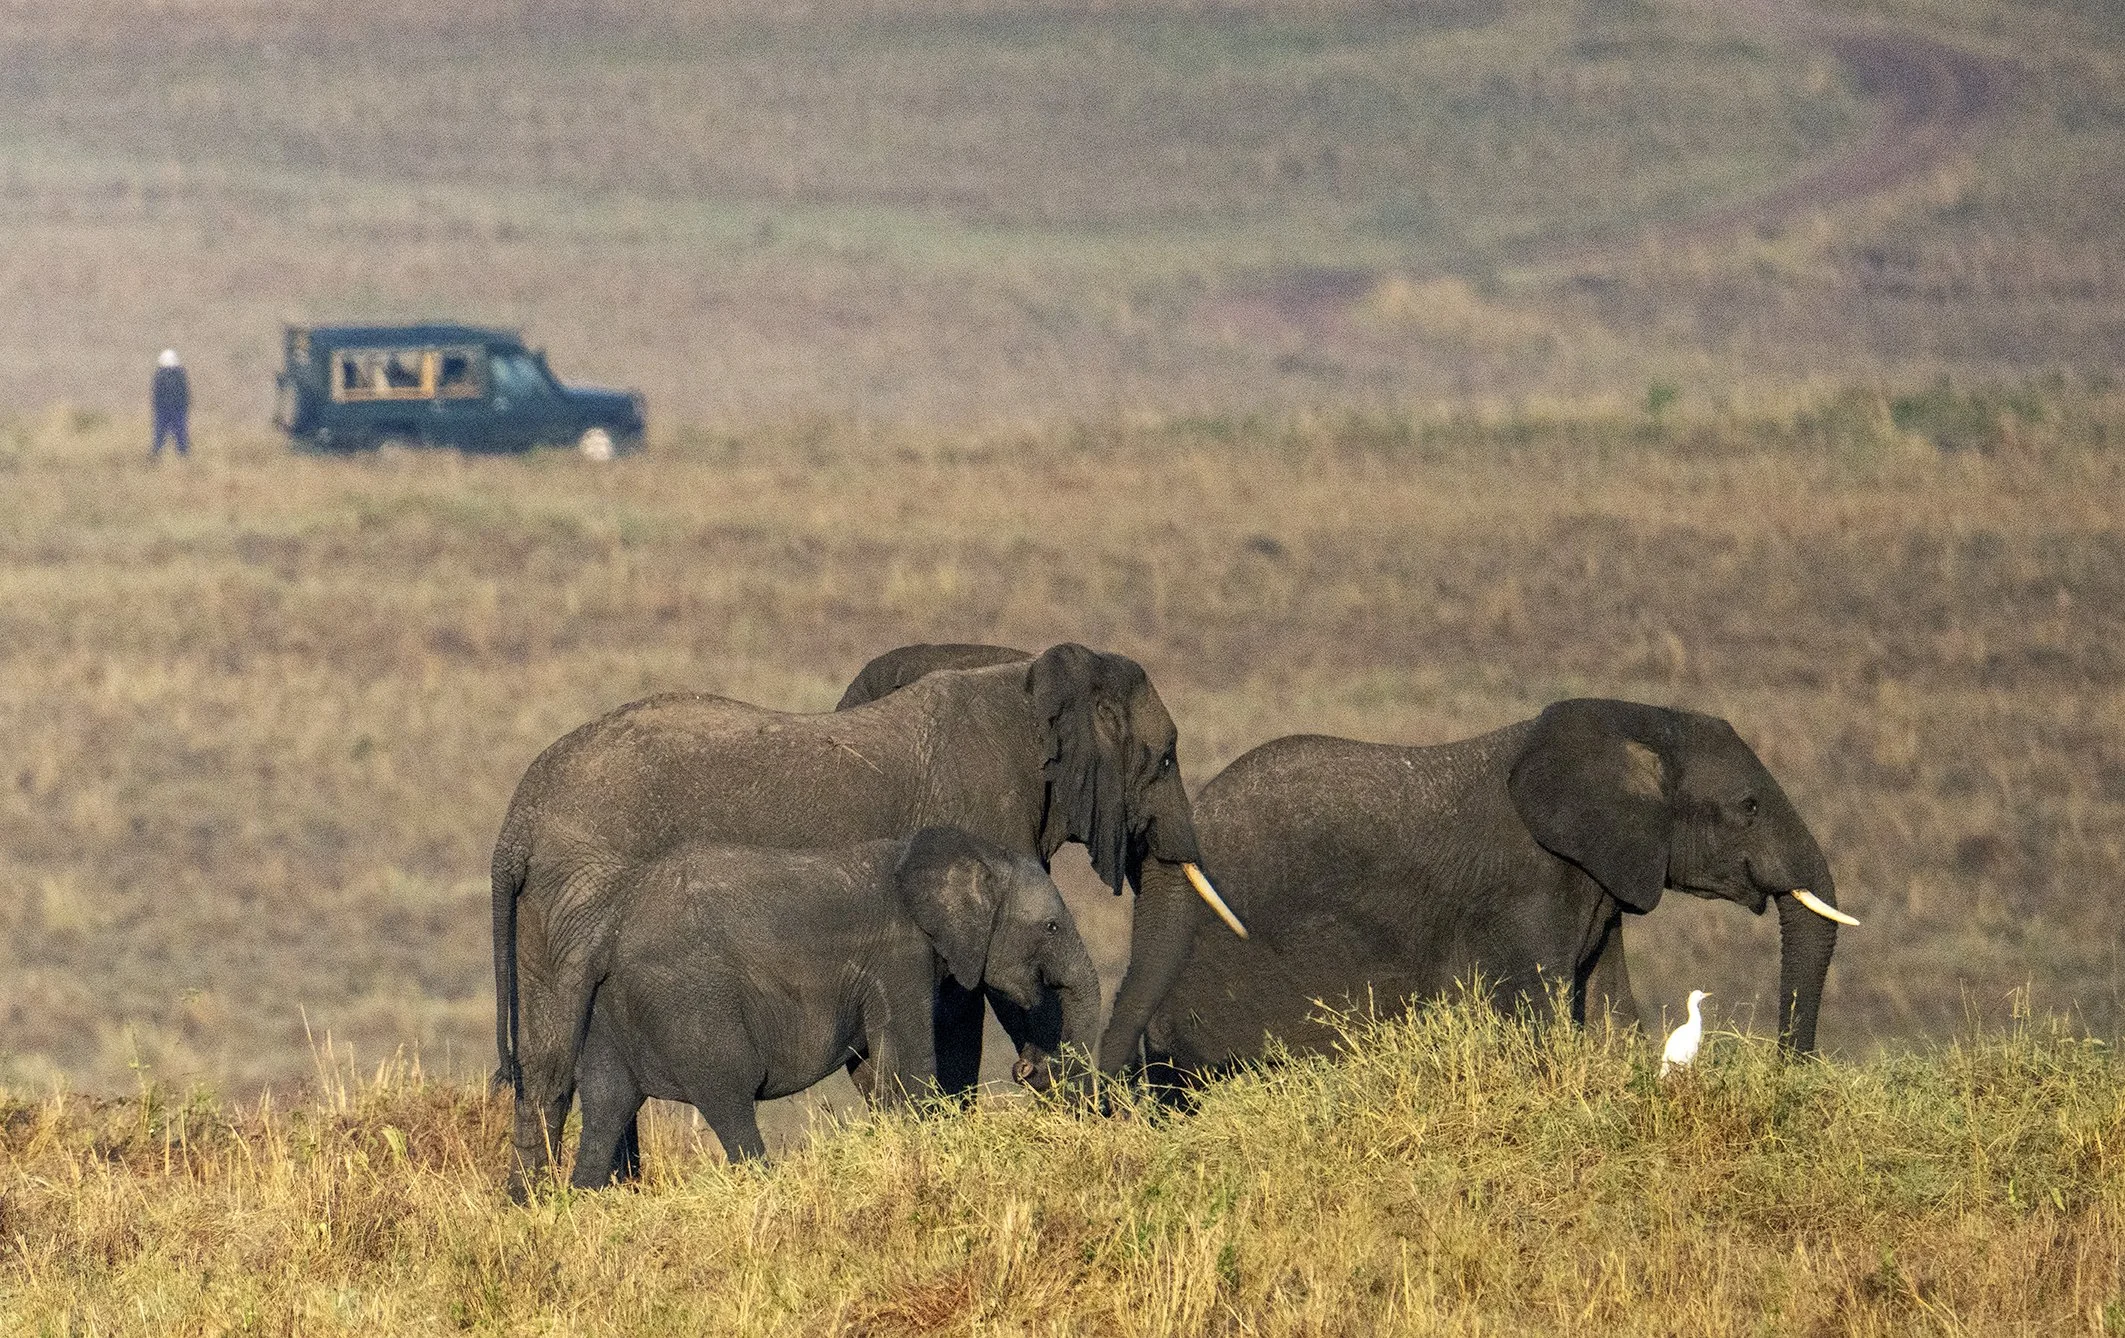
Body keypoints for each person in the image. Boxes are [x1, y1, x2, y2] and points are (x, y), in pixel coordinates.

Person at [151, 348, 190, 458]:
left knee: (160, 435)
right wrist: (184, 408)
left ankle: (155, 456)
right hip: (177, 410)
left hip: (163, 411)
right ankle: (184, 456)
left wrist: (157, 409)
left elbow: (156, 395)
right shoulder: (180, 374)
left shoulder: (159, 375)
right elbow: (185, 394)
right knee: (180, 435)